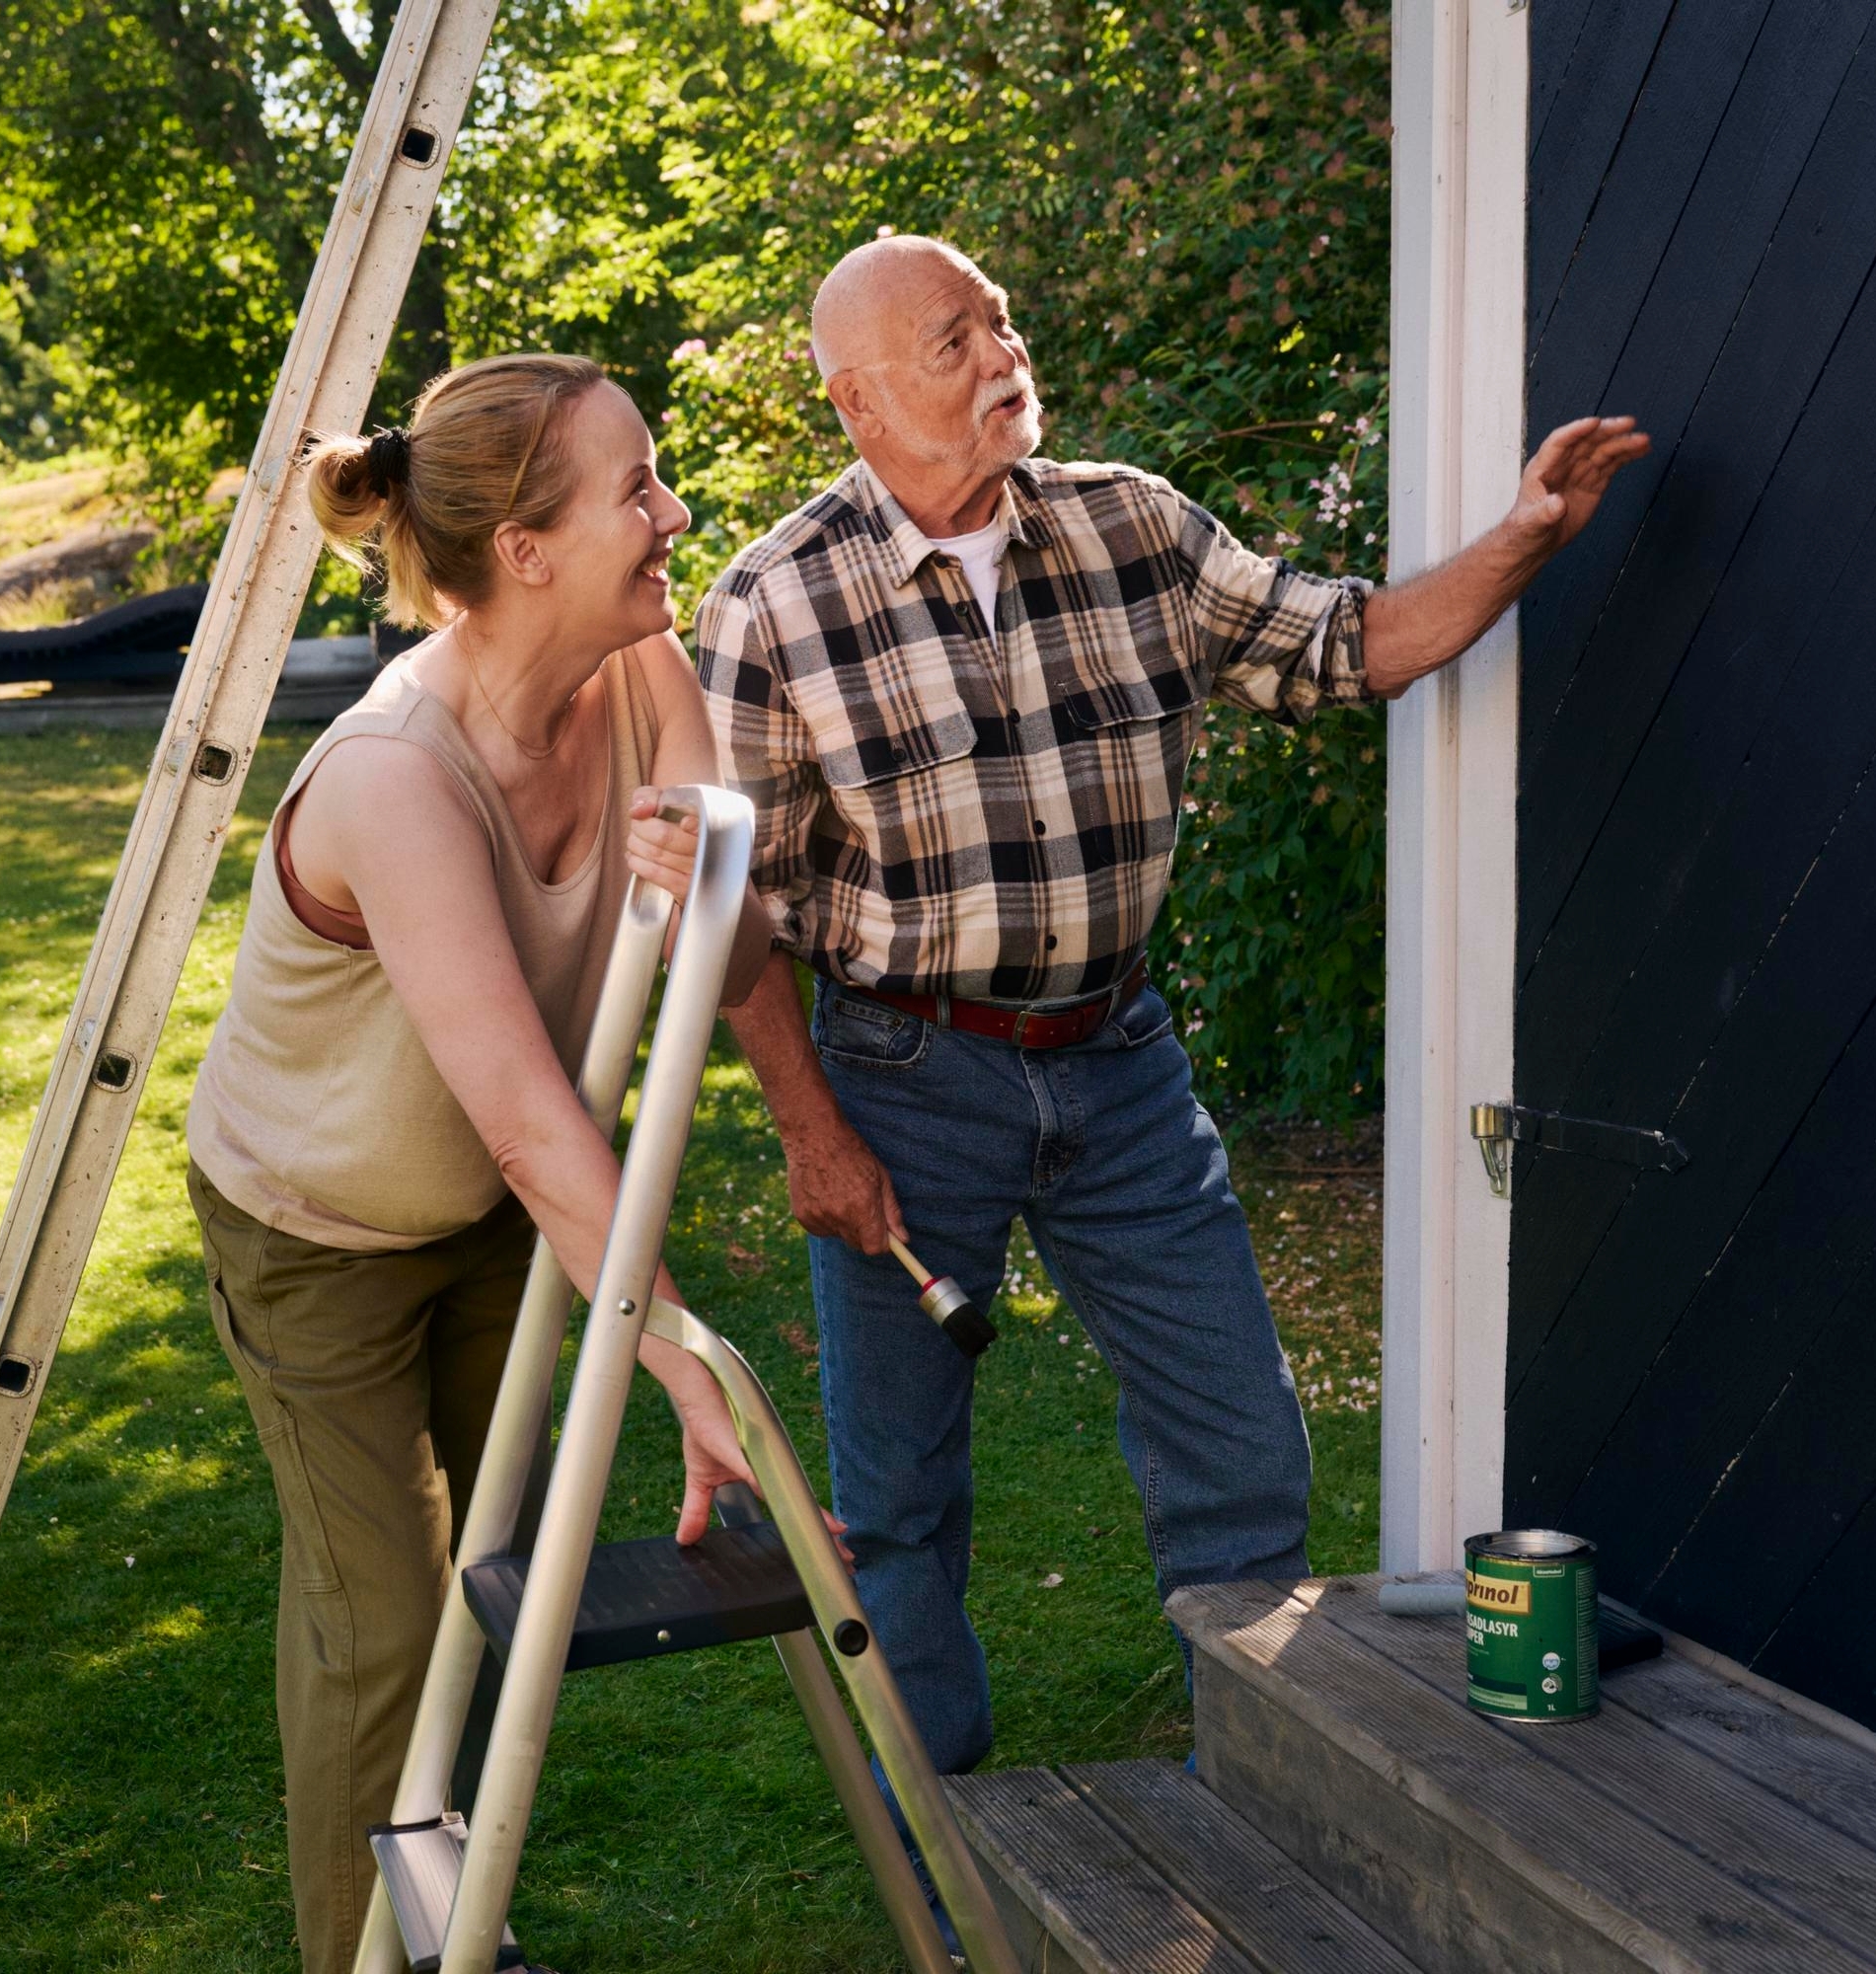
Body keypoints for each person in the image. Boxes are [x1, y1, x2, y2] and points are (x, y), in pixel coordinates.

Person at [693, 236, 1647, 1797]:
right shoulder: (773, 608)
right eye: (957, 341)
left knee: (1243, 1457)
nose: (1006, 352)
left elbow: (1353, 644)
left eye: (1003, 317)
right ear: (860, 404)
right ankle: (952, 1868)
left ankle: (1265, 1799)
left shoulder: (1130, 523)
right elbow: (744, 921)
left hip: (1120, 1066)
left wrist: (1526, 540)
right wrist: (811, 1129)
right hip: (902, 1077)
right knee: (900, 1498)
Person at [186, 351, 775, 1974]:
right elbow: (530, 1120)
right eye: (636, 489)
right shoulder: (391, 775)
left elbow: (735, 962)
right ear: (522, 549)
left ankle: (452, 1929)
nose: (673, 514)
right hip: (316, 1226)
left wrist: (718, 858)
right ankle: (364, 1956)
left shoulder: (642, 665)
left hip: (493, 1221)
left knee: (489, 1605)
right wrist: (680, 1361)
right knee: (382, 1623)